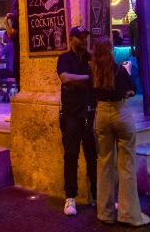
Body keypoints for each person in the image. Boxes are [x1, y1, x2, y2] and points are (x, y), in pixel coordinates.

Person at [90, 37, 147, 226]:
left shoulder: (93, 72)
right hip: (120, 112)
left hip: (101, 114)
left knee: (104, 164)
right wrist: (128, 73)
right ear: (111, 50)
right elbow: (131, 89)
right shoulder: (119, 70)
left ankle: (105, 213)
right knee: (126, 163)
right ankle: (129, 215)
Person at [57, 25, 97, 216]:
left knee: (93, 156)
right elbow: (66, 79)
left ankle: (97, 196)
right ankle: (70, 197)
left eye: (85, 37)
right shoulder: (64, 59)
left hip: (90, 113)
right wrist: (88, 78)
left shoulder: (90, 58)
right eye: (80, 38)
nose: (84, 41)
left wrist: (80, 81)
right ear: (71, 39)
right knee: (71, 155)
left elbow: (98, 78)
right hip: (71, 114)